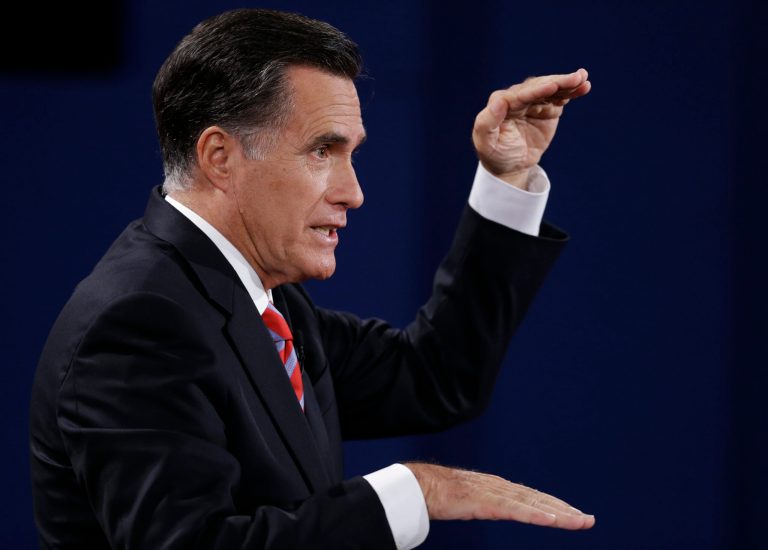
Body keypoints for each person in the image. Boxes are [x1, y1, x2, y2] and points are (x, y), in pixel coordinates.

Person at [29, 8, 594, 549]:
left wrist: (508, 181)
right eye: (323, 150)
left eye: (351, 154)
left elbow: (433, 378)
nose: (353, 192)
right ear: (220, 157)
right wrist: (416, 492)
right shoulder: (139, 323)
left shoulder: (258, 298)